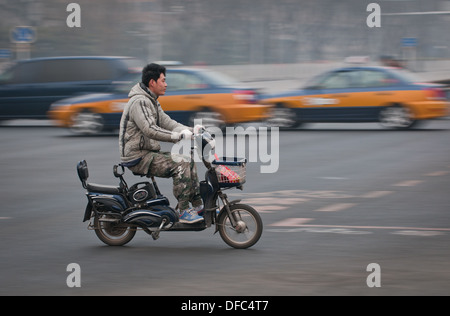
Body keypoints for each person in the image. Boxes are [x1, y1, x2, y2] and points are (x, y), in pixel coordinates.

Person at [119, 63, 204, 224]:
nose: (166, 84)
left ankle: (198, 205)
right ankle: (185, 210)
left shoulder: (151, 100)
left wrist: (191, 131)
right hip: (138, 156)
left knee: (188, 159)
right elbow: (150, 129)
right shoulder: (140, 102)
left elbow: (167, 122)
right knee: (182, 163)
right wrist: (178, 136)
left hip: (147, 152)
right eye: (163, 80)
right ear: (152, 82)